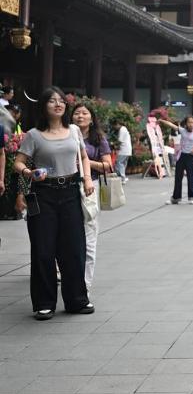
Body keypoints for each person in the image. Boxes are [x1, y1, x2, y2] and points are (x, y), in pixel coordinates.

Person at [13, 87, 94, 320]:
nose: (58, 104)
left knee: (74, 248)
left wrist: (87, 178)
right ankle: (44, 303)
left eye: (61, 101)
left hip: (70, 191)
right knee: (43, 249)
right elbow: (18, 163)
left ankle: (77, 300)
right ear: (43, 106)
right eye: (52, 101)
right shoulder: (33, 135)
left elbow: (84, 157)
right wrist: (29, 173)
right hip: (43, 194)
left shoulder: (74, 131)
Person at [71, 103, 112, 294]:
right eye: (77, 113)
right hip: (66, 188)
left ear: (91, 118)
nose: (80, 116)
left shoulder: (98, 139)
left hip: (90, 187)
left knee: (89, 236)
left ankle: (84, 286)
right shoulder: (65, 135)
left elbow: (107, 166)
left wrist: (85, 162)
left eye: (84, 113)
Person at [166, 116, 193, 205]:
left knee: (191, 177)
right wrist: (161, 120)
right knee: (178, 177)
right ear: (186, 124)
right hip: (181, 156)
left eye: (192, 122)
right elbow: (171, 125)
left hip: (190, 156)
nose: (191, 124)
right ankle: (176, 198)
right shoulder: (182, 130)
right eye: (189, 122)